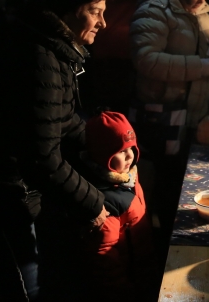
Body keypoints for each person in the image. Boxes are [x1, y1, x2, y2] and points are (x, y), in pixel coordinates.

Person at [0, 0, 114, 300]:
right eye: (95, 11)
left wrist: (109, 147)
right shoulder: (39, 57)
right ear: (67, 10)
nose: (103, 22)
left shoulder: (53, 49)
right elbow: (39, 156)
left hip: (21, 192)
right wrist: (93, 204)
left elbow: (60, 120)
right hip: (8, 195)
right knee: (26, 284)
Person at [130, 0, 209, 156]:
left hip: (195, 111)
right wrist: (200, 67)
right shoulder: (154, 10)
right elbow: (146, 60)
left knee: (186, 172)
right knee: (163, 170)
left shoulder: (202, 14)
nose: (201, 1)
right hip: (162, 113)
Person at [79, 111, 155, 300]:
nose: (130, 156)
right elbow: (104, 256)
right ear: (102, 155)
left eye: (131, 147)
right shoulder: (105, 201)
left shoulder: (128, 178)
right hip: (127, 282)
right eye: (121, 151)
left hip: (141, 267)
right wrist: (123, 291)